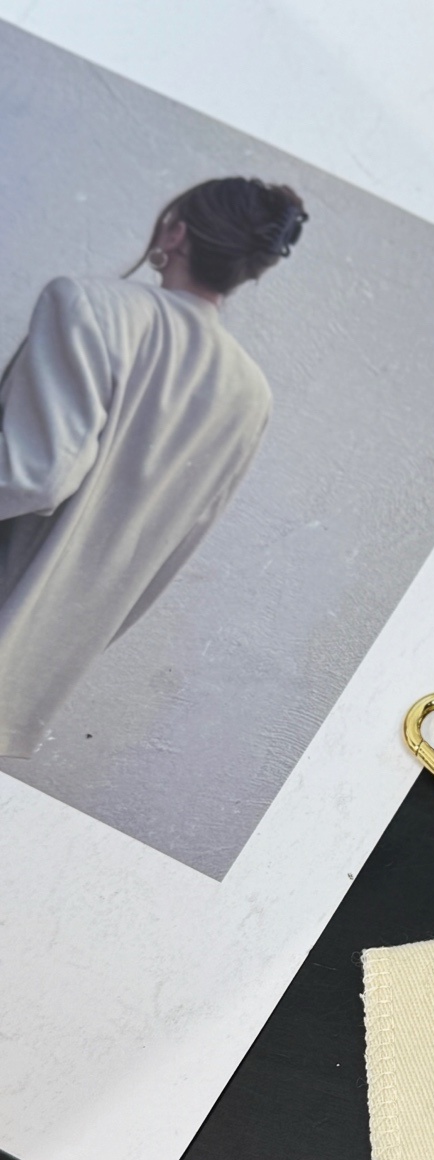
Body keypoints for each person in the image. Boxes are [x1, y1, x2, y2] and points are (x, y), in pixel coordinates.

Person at [0, 177, 306, 758]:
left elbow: (34, 475)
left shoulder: (86, 304)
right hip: (30, 666)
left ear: (175, 233)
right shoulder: (250, 393)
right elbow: (167, 554)